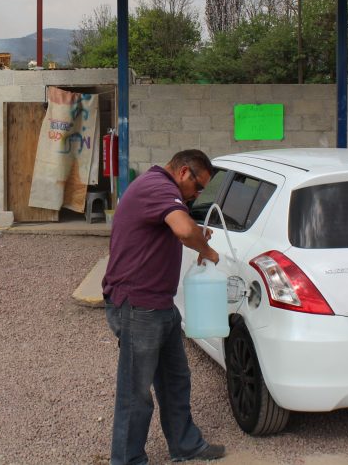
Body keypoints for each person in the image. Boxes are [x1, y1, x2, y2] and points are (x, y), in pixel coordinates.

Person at [102, 149, 225, 464]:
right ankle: (127, 460)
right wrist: (207, 249)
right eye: (197, 188)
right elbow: (184, 230)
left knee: (175, 378)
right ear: (184, 172)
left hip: (158, 303)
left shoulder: (161, 190)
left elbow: (180, 229)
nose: (196, 195)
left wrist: (199, 233)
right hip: (138, 305)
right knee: (136, 392)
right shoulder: (159, 187)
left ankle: (185, 445)